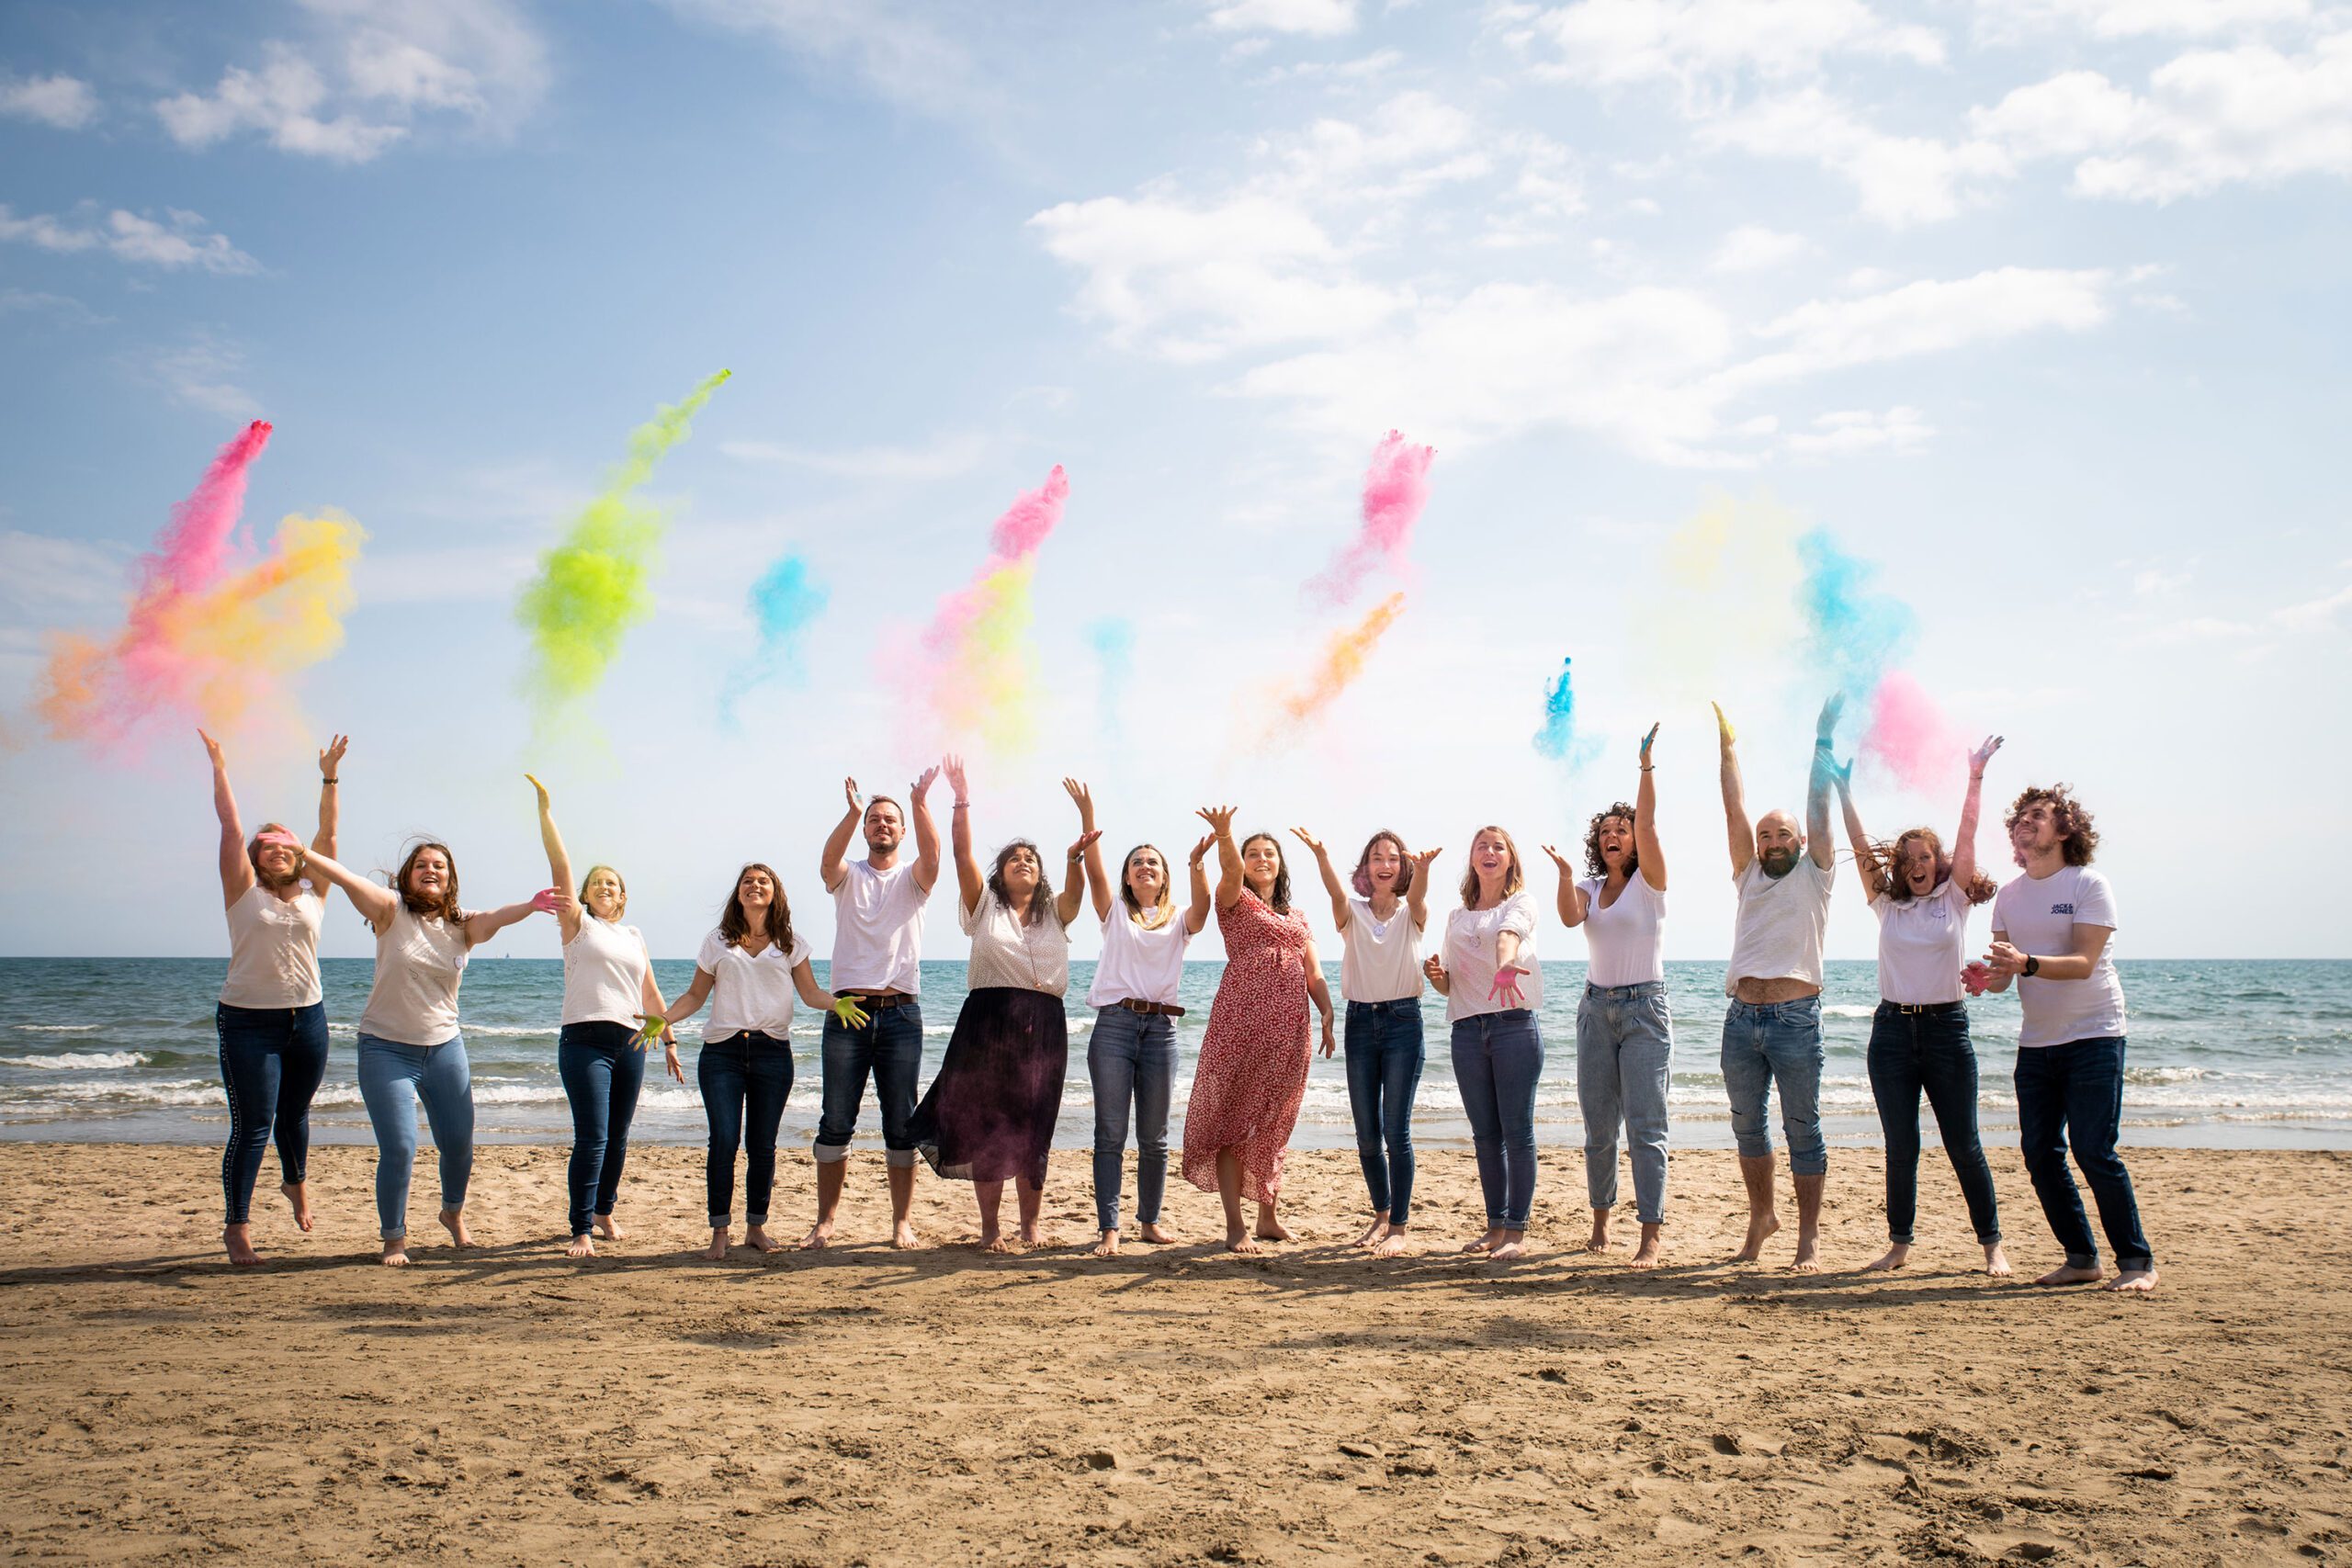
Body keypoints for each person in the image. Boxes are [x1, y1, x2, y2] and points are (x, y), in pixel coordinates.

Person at [292, 840, 550, 1265]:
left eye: (440, 866)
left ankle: (452, 1213)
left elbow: (494, 918)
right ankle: (394, 1239)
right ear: (408, 874)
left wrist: (530, 904)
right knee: (400, 1147)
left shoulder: (461, 924)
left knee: (459, 1144)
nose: (431, 871)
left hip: (445, 1048)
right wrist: (304, 853)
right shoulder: (390, 911)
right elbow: (347, 879)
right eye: (422, 865)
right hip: (386, 1049)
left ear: (450, 879)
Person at [1831, 737, 2011, 1276]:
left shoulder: (1953, 900)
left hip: (1946, 1031)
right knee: (1900, 1145)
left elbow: (1968, 832)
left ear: (1939, 862)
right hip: (1890, 1034)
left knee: (1964, 1145)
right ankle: (1900, 1244)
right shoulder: (1887, 906)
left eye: (1924, 856)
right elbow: (1860, 846)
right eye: (1906, 859)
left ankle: (1992, 1246)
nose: (1915, 865)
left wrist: (1974, 775)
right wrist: (1843, 789)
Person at [910, 758, 1092, 1251]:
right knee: (985, 1127)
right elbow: (962, 852)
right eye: (1013, 857)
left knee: (1034, 1127)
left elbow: (1079, 883)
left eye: (1031, 857)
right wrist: (961, 797)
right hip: (986, 1025)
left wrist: (1077, 850)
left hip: (1043, 1026)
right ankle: (991, 1228)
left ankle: (1030, 1226)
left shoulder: (1058, 913)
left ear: (1042, 872)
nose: (1023, 861)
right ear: (1000, 871)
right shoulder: (982, 905)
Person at [1982, 783, 2156, 1292]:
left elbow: (2083, 963)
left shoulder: (2088, 884)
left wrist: (2025, 963)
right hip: (2037, 1042)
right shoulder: (2008, 897)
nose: (2027, 821)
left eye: (2040, 815)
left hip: (2095, 1035)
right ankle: (2081, 1258)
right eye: (2022, 815)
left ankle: (2138, 1263)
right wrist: (1985, 977)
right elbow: (2002, 974)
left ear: (2065, 829)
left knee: (2093, 1149)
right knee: (2039, 1152)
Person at [649, 863, 865, 1260]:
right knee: (724, 1142)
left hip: (772, 1052)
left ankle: (755, 1227)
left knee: (762, 1145)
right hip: (722, 1052)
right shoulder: (717, 941)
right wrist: (665, 1020)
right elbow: (696, 996)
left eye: (763, 881)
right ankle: (719, 1231)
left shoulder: (790, 942)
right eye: (748, 881)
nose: (755, 886)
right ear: (739, 893)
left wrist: (836, 1003)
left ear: (774, 893)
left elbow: (810, 993)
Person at [200, 727, 345, 1267]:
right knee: (254, 1124)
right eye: (270, 844)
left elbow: (328, 837)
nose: (280, 849)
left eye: (289, 844)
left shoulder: (315, 892)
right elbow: (230, 824)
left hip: (308, 1019)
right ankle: (237, 1224)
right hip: (246, 1022)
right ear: (256, 855)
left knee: (297, 1115)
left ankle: (295, 1182)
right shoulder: (241, 890)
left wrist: (329, 776)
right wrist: (220, 766)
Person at [526, 774, 678, 1258]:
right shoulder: (576, 926)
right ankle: (580, 1227)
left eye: (612, 883)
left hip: (632, 1042)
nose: (604, 887)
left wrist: (670, 1041)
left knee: (619, 1137)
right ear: (586, 895)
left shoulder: (634, 935)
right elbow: (560, 863)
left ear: (623, 895)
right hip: (584, 1041)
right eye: (597, 883)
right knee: (592, 1136)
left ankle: (604, 1209)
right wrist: (546, 811)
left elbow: (650, 992)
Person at [1714, 695, 1840, 1272]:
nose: (1771, 842)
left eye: (1781, 835)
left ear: (1801, 841)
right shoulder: (1748, 874)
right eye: (1765, 836)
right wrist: (1728, 745)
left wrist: (1822, 736)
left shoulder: (1816, 874)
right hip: (1741, 1020)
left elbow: (1818, 808)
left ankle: (1808, 1237)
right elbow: (1732, 805)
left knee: (1801, 1126)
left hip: (1794, 1020)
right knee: (1747, 1125)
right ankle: (1762, 1216)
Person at [1181, 806, 1335, 1253]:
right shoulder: (1234, 899)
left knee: (1275, 1123)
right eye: (1254, 854)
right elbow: (1228, 867)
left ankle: (1268, 1217)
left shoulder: (1299, 916)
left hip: (1291, 1028)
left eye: (1270, 853)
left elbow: (1313, 970)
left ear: (1281, 863)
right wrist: (1226, 835)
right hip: (1240, 1024)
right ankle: (1236, 1225)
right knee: (1232, 1120)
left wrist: (1326, 1012)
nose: (1261, 859)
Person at [1545, 722, 1670, 1269]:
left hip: (1645, 1010)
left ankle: (1650, 1234)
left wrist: (1644, 769)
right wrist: (1568, 874)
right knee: (1599, 1126)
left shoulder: (1651, 883)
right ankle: (1600, 1223)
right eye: (1606, 832)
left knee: (1646, 1125)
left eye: (1623, 829)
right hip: (1596, 1010)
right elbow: (1571, 918)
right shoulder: (1591, 889)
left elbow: (1649, 820)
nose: (1615, 836)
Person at [804, 765, 943, 1250]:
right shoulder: (847, 877)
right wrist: (852, 812)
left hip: (902, 1013)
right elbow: (827, 860)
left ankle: (901, 1222)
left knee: (901, 1123)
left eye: (891, 820)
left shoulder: (914, 880)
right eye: (875, 820)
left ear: (901, 831)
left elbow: (933, 855)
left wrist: (921, 803)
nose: (883, 825)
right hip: (848, 1011)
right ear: (865, 830)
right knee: (836, 1118)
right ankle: (826, 1221)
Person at [1074, 782, 1213, 1258]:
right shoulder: (1114, 912)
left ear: (1164, 876)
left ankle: (1149, 1222)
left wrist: (1198, 865)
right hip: (1114, 1026)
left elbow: (1205, 909)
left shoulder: (1178, 919)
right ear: (1129, 878)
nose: (1146, 867)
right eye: (1138, 863)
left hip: (1161, 1032)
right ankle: (1109, 1228)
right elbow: (1093, 871)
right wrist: (1088, 811)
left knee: (1154, 1137)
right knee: (1110, 1132)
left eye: (1153, 862)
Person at [1295, 824, 1440, 1258]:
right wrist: (1321, 856)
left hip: (1402, 1022)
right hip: (1359, 1023)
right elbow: (1336, 897)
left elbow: (1417, 898)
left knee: (1397, 1131)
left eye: (1393, 858)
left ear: (1403, 868)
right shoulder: (1353, 913)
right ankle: (1380, 1214)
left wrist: (1425, 869)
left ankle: (1398, 1226)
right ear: (1366, 868)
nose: (1385, 864)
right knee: (1366, 1134)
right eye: (1377, 857)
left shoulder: (1411, 914)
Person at [1425, 825, 1543, 1263]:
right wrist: (1439, 979)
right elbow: (1451, 981)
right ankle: (1495, 1226)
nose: (1489, 852)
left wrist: (1506, 965)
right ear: (1472, 858)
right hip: (1467, 1031)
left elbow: (1508, 935)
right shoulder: (1457, 917)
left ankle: (1516, 1230)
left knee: (1518, 1132)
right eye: (1482, 846)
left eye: (1499, 847)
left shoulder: (1521, 903)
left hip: (1514, 1026)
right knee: (1485, 1135)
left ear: (1509, 859)